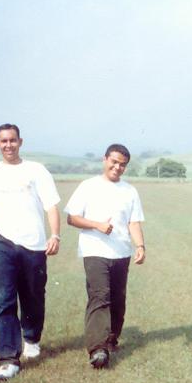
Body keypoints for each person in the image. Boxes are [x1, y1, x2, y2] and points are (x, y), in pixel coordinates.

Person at [0, 124, 62, 381]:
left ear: (20, 141)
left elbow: (51, 206)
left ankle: (31, 338)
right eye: (3, 141)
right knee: (3, 299)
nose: (8, 145)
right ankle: (8, 359)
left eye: (12, 140)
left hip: (34, 245)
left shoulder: (36, 170)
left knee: (33, 297)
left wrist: (55, 235)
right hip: (2, 244)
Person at [64, 144, 145, 369]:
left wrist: (140, 245)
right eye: (114, 162)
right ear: (105, 159)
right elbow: (72, 218)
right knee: (100, 295)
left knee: (118, 298)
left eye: (123, 165)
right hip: (94, 250)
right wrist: (96, 225)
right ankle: (98, 349)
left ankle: (111, 339)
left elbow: (133, 221)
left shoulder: (130, 191)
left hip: (121, 252)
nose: (118, 167)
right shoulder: (88, 186)